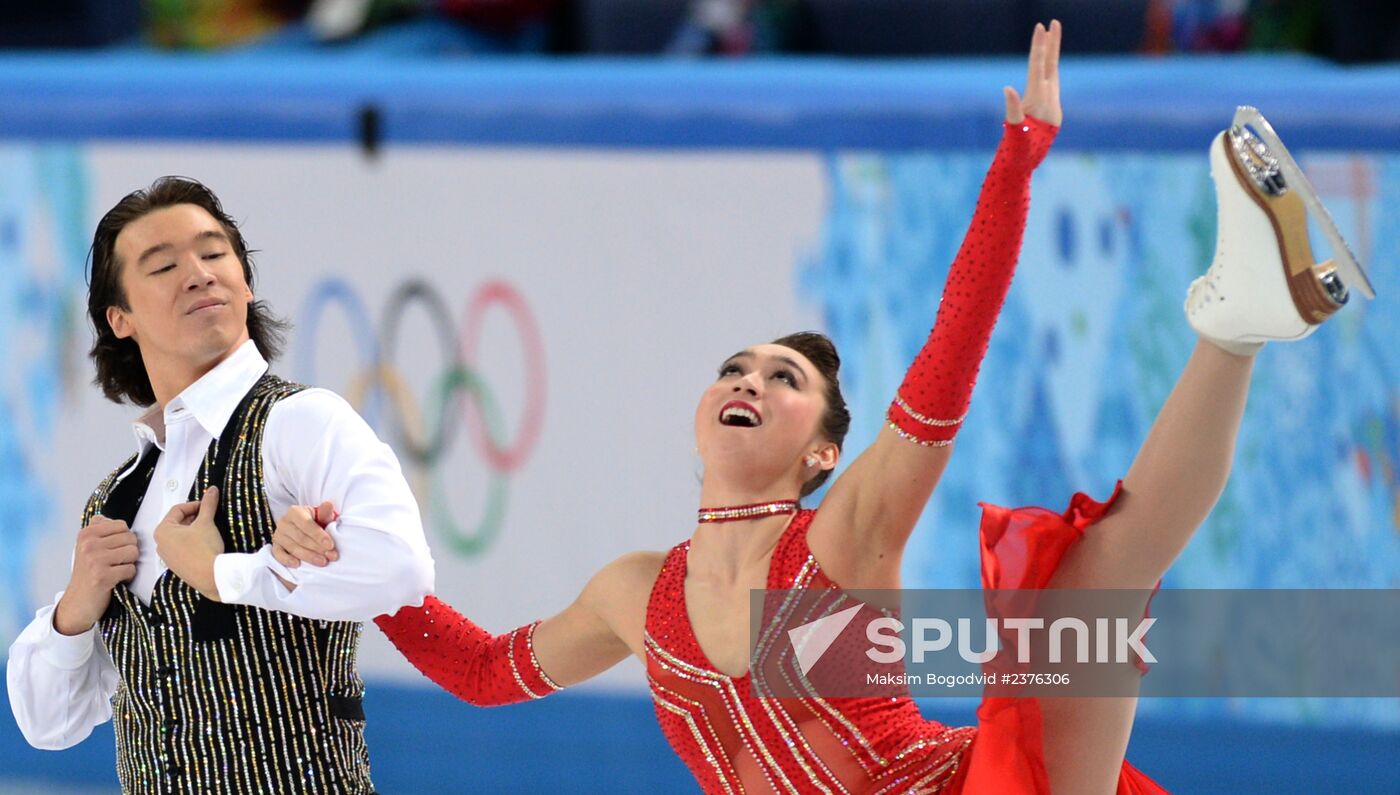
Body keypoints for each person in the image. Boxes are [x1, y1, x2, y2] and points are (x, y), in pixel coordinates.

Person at [275, 20, 1371, 794]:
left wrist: (1013, 170)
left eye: (783, 380)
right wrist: (366, 579)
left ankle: (1233, 321)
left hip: (969, 794)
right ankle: (1239, 315)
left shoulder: (842, 540)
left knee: (1090, 583)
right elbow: (479, 672)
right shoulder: (631, 597)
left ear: (821, 453)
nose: (748, 381)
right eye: (735, 368)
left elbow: (944, 363)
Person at [6, 177, 436, 793]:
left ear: (245, 281)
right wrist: (75, 607)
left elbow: (402, 569)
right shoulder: (119, 499)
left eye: (213, 253)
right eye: (163, 266)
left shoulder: (297, 423)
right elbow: (49, 723)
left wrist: (225, 575)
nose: (199, 274)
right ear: (119, 318)